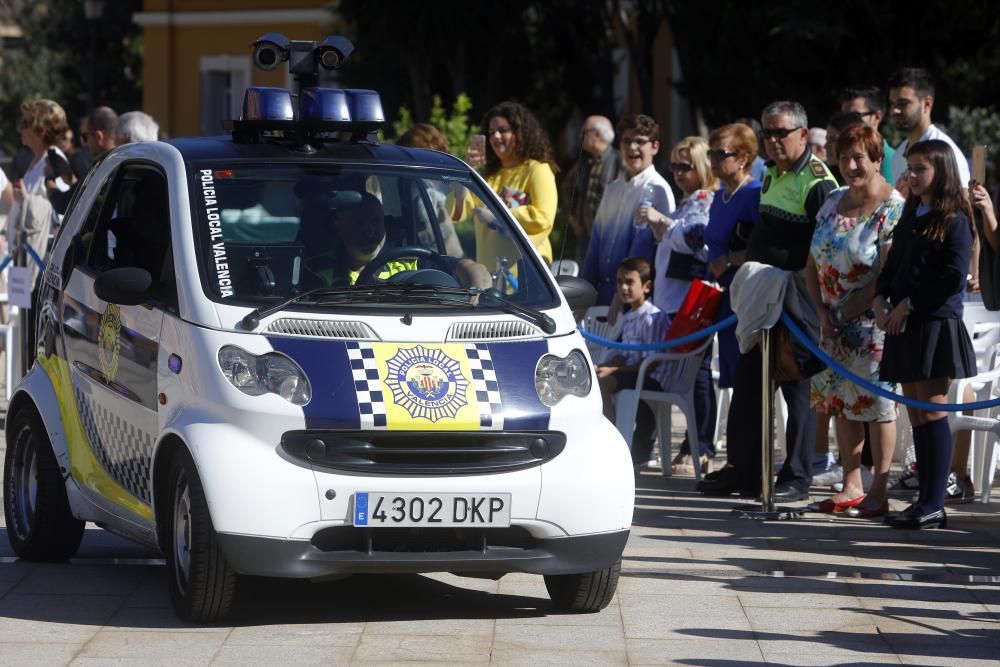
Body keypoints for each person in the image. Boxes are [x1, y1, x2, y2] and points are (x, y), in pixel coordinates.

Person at [703, 102, 837, 500]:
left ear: (802, 133)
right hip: (764, 297)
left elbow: (823, 246)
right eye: (768, 133)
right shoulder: (772, 174)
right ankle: (744, 470)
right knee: (749, 385)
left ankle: (797, 476)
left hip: (797, 299)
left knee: (797, 390)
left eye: (781, 133)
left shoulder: (817, 181)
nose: (774, 140)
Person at [875, 139, 977, 530]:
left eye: (921, 168)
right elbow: (893, 263)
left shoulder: (954, 219)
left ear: (942, 171)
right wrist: (882, 299)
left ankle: (934, 501)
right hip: (904, 324)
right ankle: (924, 500)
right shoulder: (912, 214)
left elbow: (952, 277)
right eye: (911, 167)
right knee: (916, 414)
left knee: (932, 410)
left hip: (933, 323)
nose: (912, 175)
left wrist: (910, 304)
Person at [804, 126, 905, 518]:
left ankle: (879, 485)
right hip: (829, 323)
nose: (849, 166)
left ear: (878, 160)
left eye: (859, 157)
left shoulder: (892, 207)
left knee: (877, 406)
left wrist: (844, 313)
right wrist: (821, 312)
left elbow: (885, 272)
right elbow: (812, 260)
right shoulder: (831, 200)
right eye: (843, 157)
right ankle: (851, 482)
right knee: (840, 403)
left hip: (871, 324)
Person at [639, 135, 718, 469]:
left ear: (702, 166)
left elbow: (695, 238)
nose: (678, 173)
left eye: (686, 166)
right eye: (675, 166)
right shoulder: (688, 201)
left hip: (691, 300)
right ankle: (688, 443)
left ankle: (700, 446)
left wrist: (662, 222)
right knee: (685, 376)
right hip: (671, 300)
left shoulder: (704, 198)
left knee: (697, 374)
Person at [299, 190, 490, 290]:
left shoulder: (411, 261)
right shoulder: (316, 268)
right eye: (359, 223)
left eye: (376, 221)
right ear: (338, 227)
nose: (370, 231)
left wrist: (476, 292)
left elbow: (472, 268)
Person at [582, 114, 672, 305]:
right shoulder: (612, 188)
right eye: (626, 141)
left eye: (640, 142)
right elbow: (595, 244)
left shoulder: (659, 189)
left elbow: (659, 249)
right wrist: (586, 292)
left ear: (654, 147)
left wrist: (620, 296)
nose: (632, 148)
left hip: (635, 299)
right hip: (602, 295)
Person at [595, 256, 672, 469]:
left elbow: (652, 363)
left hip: (652, 378)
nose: (623, 287)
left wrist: (614, 370)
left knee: (604, 385)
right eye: (620, 282)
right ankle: (611, 439)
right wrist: (605, 367)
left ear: (647, 287)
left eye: (630, 282)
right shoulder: (630, 316)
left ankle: (612, 444)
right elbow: (626, 353)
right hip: (634, 374)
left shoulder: (652, 317)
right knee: (595, 381)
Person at [461, 101, 558, 267]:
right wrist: (465, 174)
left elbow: (543, 218)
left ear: (520, 133)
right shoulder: (489, 177)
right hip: (491, 276)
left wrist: (499, 216)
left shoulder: (537, 170)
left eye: (503, 130)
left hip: (528, 274)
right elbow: (455, 214)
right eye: (491, 132)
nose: (495, 137)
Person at [887, 68, 970, 188]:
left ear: (927, 104)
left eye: (903, 103)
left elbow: (963, 203)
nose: (895, 110)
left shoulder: (946, 152)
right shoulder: (898, 155)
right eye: (892, 103)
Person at [396, 123, 465, 257]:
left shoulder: (440, 179)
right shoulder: (417, 183)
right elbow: (424, 212)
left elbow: (457, 214)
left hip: (447, 256)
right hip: (432, 259)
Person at [563, 115, 620, 264]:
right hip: (586, 237)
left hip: (610, 238)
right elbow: (567, 188)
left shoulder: (618, 160)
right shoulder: (584, 162)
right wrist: (573, 218)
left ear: (597, 134)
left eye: (584, 131)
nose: (580, 136)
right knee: (583, 283)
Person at [839, 85, 896, 183]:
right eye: (843, 116)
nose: (847, 122)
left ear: (877, 117)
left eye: (855, 115)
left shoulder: (893, 159)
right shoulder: (839, 156)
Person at [824, 111, 865, 184]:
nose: (825, 146)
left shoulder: (866, 184)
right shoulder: (826, 179)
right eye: (827, 139)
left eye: (833, 140)